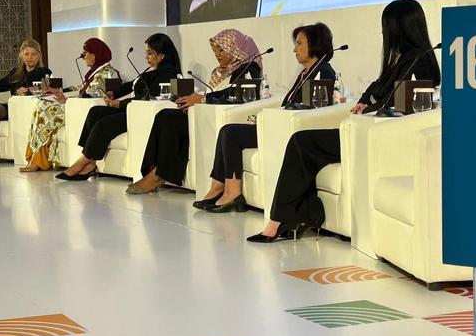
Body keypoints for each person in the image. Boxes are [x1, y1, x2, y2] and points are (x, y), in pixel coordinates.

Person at [247, 0, 442, 243]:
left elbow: (405, 105)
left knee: (302, 141)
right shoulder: (403, 58)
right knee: (303, 144)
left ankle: (280, 221)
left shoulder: (418, 59)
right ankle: (297, 216)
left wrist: (371, 105)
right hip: (368, 128)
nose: (383, 33)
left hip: (382, 136)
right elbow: (378, 91)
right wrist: (365, 104)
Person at [194, 23, 337, 213]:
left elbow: (310, 106)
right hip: (279, 124)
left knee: (231, 133)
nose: (295, 49)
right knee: (227, 130)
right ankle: (218, 187)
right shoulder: (306, 72)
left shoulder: (324, 71)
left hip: (290, 130)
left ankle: (233, 193)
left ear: (315, 45)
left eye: (300, 44)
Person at [127, 29, 261, 194]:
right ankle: (152, 170)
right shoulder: (220, 72)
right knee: (164, 115)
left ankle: (159, 175)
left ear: (235, 47)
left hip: (220, 117)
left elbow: (234, 94)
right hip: (206, 111)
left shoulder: (249, 67)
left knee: (171, 120)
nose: (217, 54)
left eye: (222, 49)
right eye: (215, 50)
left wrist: (202, 99)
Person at [57, 34, 181, 181]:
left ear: (161, 55)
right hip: (132, 108)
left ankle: (82, 162)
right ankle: (90, 162)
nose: (146, 57)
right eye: (146, 53)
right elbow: (132, 85)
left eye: (149, 53)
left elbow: (148, 97)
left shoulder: (167, 73)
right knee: (95, 112)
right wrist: (113, 93)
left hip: (141, 113)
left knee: (103, 125)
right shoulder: (151, 69)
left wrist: (120, 103)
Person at [21, 38, 119, 172]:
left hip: (86, 110)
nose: (83, 56)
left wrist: (68, 100)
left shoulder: (108, 72)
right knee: (42, 104)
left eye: (85, 53)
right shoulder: (95, 71)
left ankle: (38, 160)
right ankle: (35, 156)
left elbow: (94, 95)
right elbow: (81, 88)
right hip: (75, 105)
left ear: (94, 55)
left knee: (47, 110)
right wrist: (60, 91)